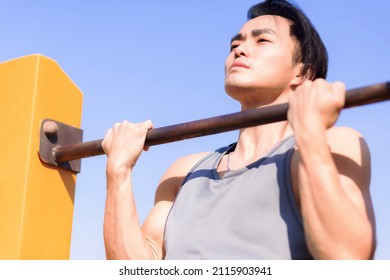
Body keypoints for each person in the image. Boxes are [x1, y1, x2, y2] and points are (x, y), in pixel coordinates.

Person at [101, 0, 376, 259]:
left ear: (302, 74)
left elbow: (347, 256)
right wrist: (118, 172)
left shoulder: (335, 144)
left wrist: (312, 133)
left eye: (262, 40)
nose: (239, 50)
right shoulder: (185, 172)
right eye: (235, 43)